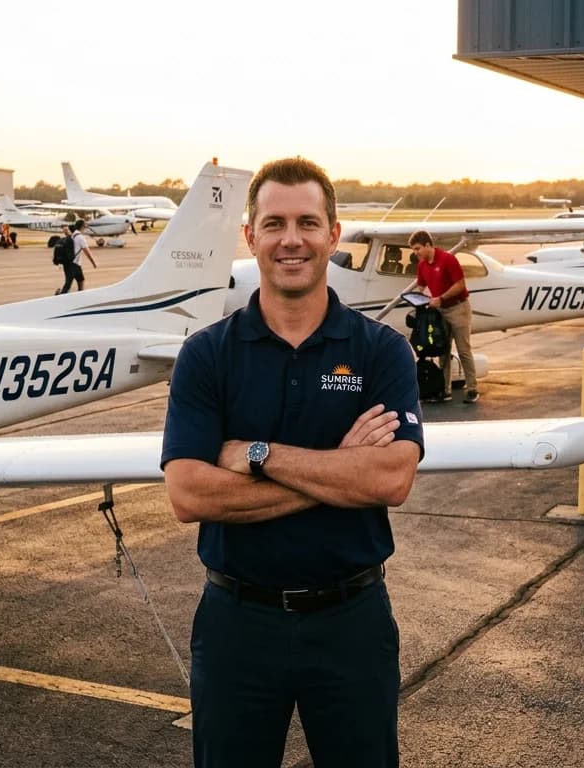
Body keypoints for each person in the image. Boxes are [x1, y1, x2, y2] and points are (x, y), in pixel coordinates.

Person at [161, 157, 424, 767]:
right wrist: (340, 471)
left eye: (308, 222)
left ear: (334, 234)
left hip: (351, 623)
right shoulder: (206, 357)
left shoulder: (382, 350)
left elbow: (391, 478)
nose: (291, 239)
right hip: (237, 626)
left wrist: (256, 455)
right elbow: (190, 495)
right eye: (273, 223)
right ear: (250, 236)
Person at [409, 229, 478, 404]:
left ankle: (472, 389)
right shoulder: (423, 265)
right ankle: (444, 389)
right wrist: (423, 299)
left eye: (417, 249)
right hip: (439, 311)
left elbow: (460, 284)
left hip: (458, 308)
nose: (416, 253)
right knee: (442, 349)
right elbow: (422, 285)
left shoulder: (447, 259)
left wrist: (441, 298)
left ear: (427, 245)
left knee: (463, 349)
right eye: (414, 250)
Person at [60, 220, 98, 294]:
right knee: (68, 284)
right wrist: (93, 263)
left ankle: (80, 294)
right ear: (82, 227)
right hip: (74, 264)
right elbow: (87, 252)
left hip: (69, 263)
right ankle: (60, 297)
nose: (86, 227)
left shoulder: (73, 235)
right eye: (85, 226)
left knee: (81, 280)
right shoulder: (80, 237)